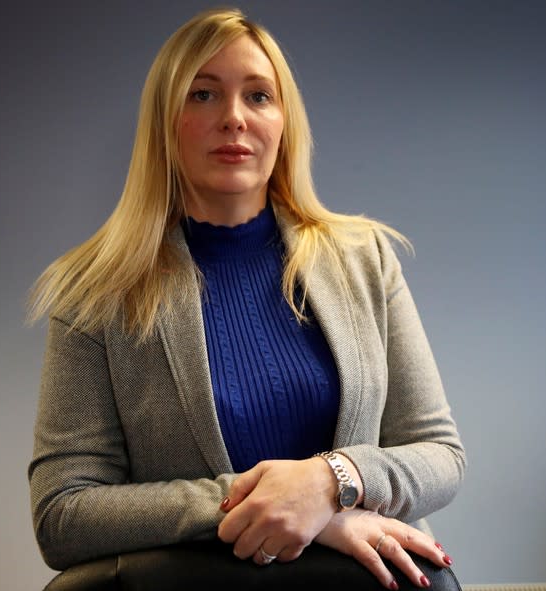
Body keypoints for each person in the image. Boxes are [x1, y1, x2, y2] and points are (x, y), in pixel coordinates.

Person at [27, 8, 466, 590]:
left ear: (285, 121)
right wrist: (274, 507)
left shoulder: (365, 259)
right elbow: (63, 514)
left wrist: (329, 483)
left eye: (258, 96)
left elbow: (439, 454)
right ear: (164, 122)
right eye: (203, 95)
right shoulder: (94, 293)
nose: (233, 117)